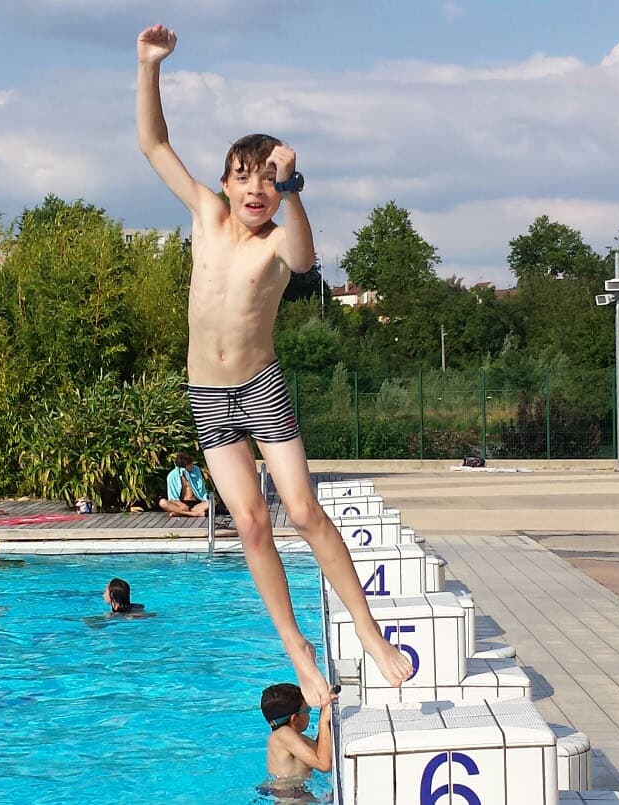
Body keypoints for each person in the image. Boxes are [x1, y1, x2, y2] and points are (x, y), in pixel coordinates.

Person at [136, 23, 411, 705]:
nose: (254, 189)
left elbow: (307, 261)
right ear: (226, 182)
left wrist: (294, 188)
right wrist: (150, 67)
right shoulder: (203, 212)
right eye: (244, 176)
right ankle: (297, 648)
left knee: (304, 510)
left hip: (259, 387)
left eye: (267, 180)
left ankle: (371, 634)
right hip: (208, 395)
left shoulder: (276, 240)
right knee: (251, 524)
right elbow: (153, 143)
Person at [261, 683, 332, 795]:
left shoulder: (287, 737)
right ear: (294, 718)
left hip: (293, 794)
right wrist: (323, 721)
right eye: (307, 710)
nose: (309, 714)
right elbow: (324, 765)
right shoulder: (283, 734)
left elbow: (321, 752)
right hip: (289, 798)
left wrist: (325, 713)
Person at [159, 451, 210, 518]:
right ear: (184, 467)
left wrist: (206, 499)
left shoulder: (196, 470)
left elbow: (202, 490)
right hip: (180, 504)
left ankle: (180, 513)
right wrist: (179, 504)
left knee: (211, 503)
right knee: (162, 502)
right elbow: (172, 498)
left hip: (196, 504)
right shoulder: (172, 476)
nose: (192, 465)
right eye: (189, 464)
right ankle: (192, 514)